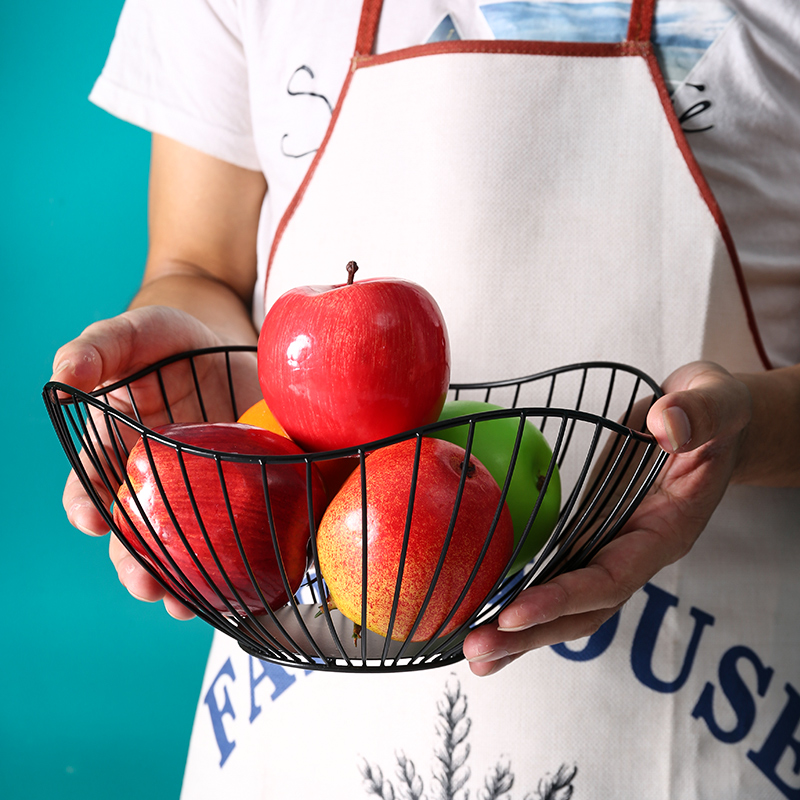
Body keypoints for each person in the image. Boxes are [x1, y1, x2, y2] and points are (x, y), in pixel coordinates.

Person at [52, 0, 800, 796]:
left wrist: (747, 432)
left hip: (722, 717)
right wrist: (199, 364)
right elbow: (199, 263)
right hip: (297, 728)